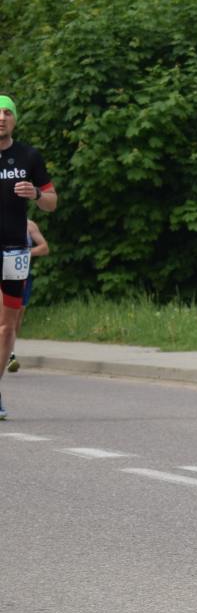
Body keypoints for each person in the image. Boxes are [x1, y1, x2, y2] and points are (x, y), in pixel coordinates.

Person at [0, 95, 58, 421]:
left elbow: (51, 201)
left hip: (15, 250)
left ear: (14, 119)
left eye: (7, 112)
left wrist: (35, 193)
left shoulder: (29, 156)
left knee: (7, 328)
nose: (1, 117)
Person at [5, 220, 47, 374]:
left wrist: (25, 252)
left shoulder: (29, 225)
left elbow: (44, 248)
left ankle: (10, 354)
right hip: (3, 275)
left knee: (16, 318)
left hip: (22, 276)